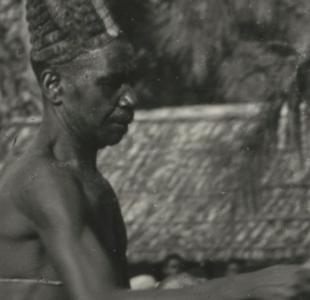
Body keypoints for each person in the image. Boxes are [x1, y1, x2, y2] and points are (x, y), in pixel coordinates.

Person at [0, 0, 308, 299]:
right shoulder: (44, 181)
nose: (130, 99)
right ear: (54, 86)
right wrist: (249, 286)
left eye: (129, 82)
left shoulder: (93, 185)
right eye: (110, 84)